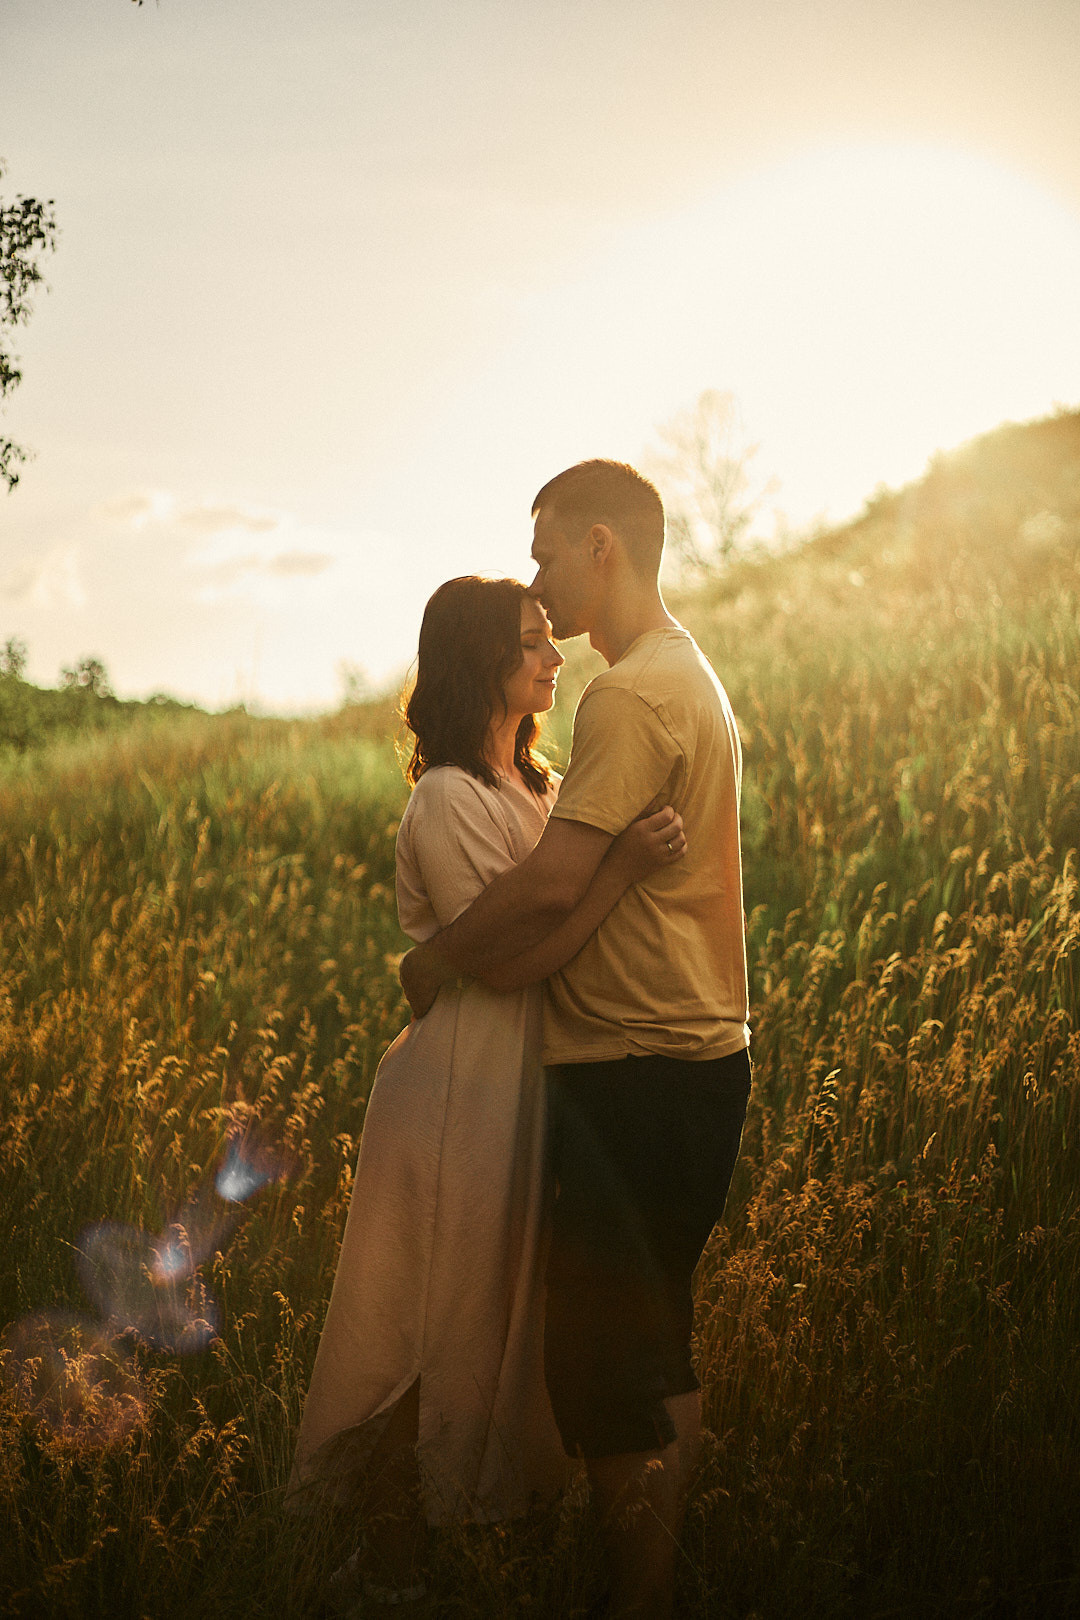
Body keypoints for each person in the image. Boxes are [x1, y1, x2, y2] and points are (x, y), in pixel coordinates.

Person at [289, 573, 685, 1606]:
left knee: (491, 1320)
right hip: (456, 1088)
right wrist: (621, 871)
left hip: (526, 1086)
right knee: (424, 1323)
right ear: (479, 665)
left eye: (551, 641)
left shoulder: (540, 787)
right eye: (530, 644)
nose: (556, 659)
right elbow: (507, 962)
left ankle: (449, 1540)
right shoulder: (448, 797)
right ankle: (384, 1561)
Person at [399, 462, 752, 1620]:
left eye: (549, 554)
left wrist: (437, 957)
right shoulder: (681, 672)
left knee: (603, 1372)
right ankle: (658, 1582)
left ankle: (634, 1602)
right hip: (695, 1055)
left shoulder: (630, 696)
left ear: (602, 545)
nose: (542, 582)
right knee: (656, 1347)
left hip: (636, 1069)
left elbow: (553, 887)